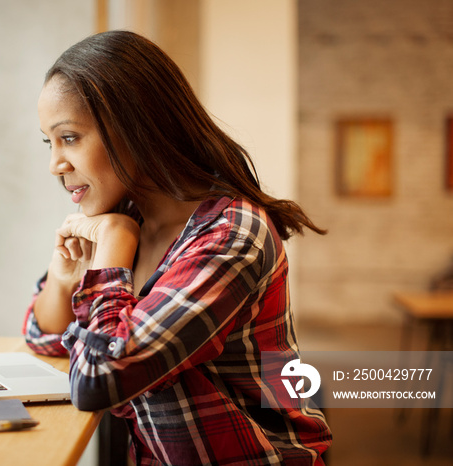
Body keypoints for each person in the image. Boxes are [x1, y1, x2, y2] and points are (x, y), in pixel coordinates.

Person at [23, 30, 332, 465]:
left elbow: (97, 379)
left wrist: (111, 247)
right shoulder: (127, 215)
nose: (55, 163)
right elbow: (46, 337)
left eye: (69, 138)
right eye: (48, 142)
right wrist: (60, 279)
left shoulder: (230, 234)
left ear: (136, 126)